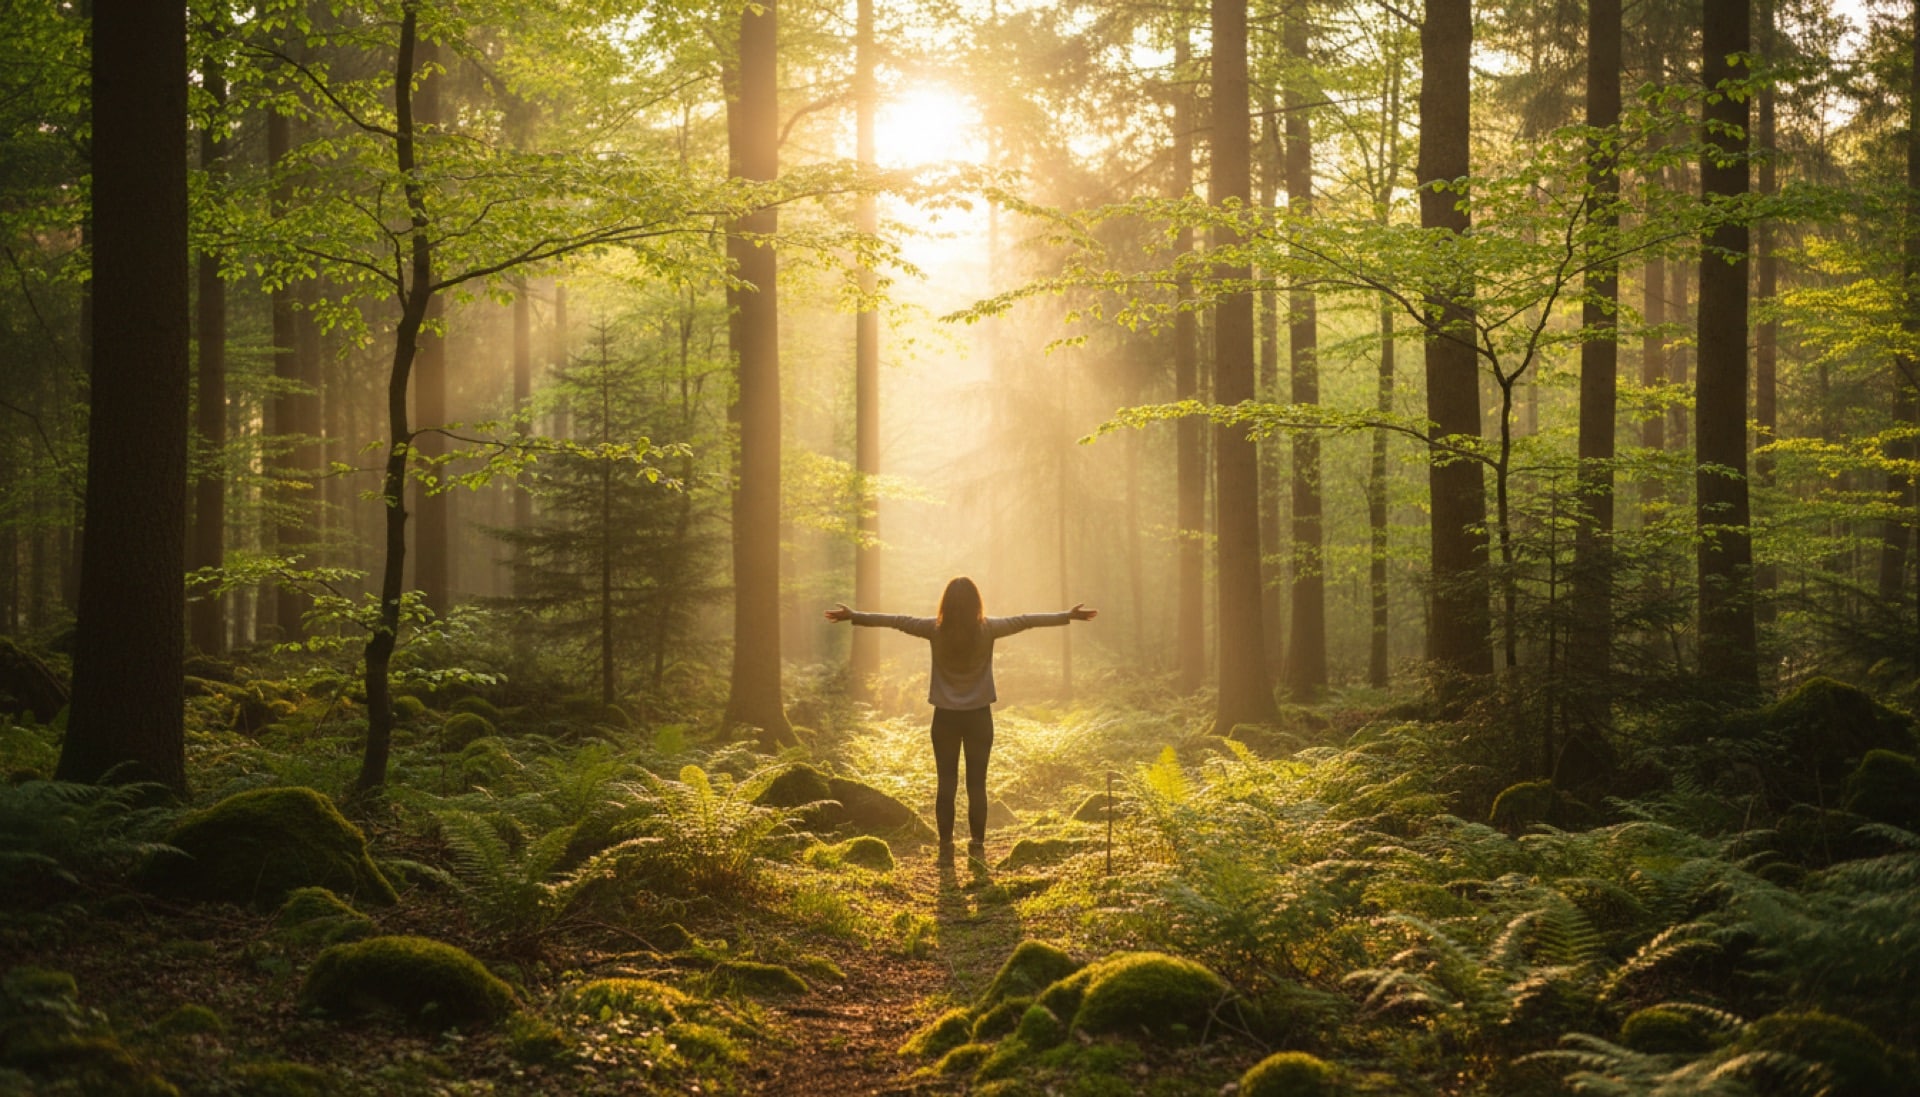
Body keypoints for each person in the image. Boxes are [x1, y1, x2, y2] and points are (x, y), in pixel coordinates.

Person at [825, 576, 1097, 863]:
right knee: (977, 784)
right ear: (976, 602)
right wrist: (1067, 615)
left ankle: (946, 847)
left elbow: (895, 620)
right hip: (979, 717)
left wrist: (854, 616)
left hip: (944, 719)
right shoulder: (988, 628)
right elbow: (1026, 620)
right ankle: (977, 845)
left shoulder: (933, 629)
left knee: (946, 782)